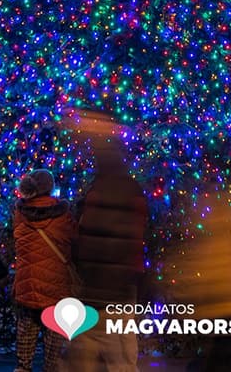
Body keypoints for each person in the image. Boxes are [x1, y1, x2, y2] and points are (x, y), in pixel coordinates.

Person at [68, 113, 147, 372]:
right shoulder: (132, 192)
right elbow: (136, 241)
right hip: (119, 292)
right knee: (122, 359)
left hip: (91, 292)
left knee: (85, 357)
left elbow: (79, 241)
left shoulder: (93, 194)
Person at [10, 169, 76, 372]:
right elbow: (74, 239)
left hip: (27, 282)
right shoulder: (63, 215)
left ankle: (24, 367)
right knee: (54, 340)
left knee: (26, 333)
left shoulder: (20, 213)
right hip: (56, 285)